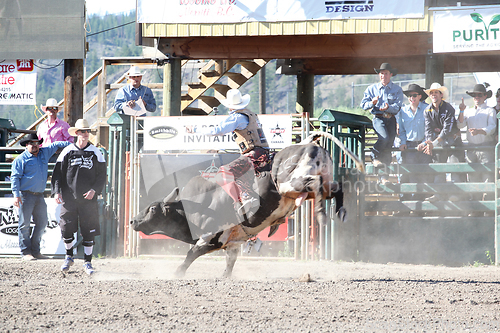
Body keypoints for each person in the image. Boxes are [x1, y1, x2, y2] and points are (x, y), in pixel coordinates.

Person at [187, 88, 271, 220]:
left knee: (223, 173)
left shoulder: (236, 117)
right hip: (264, 152)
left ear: (230, 106)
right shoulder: (250, 114)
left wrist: (195, 130)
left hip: (253, 155)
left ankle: (243, 199)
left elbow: (218, 130)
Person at [51, 119, 106, 275]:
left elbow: (102, 176)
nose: (86, 134)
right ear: (76, 133)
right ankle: (69, 256)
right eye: (83, 131)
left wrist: (95, 190)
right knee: (66, 228)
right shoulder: (67, 151)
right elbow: (57, 175)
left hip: (88, 199)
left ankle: (88, 262)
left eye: (87, 131)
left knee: (88, 230)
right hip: (69, 198)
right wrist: (57, 191)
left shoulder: (96, 152)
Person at [10, 133, 70, 261]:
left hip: (39, 195)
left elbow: (57, 144)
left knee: (42, 223)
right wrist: (16, 195)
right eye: (32, 143)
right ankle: (26, 252)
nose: (35, 146)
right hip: (25, 195)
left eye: (37, 143)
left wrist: (74, 146)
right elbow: (15, 178)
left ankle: (35, 251)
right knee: (24, 224)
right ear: (27, 145)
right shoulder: (21, 159)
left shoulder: (44, 152)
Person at [418, 82, 465, 201]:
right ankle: (439, 194)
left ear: (441, 94)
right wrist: (429, 143)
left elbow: (447, 129)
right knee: (438, 167)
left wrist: (432, 143)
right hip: (439, 143)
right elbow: (428, 129)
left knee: (454, 166)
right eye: (432, 92)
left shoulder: (448, 108)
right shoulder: (427, 111)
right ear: (429, 95)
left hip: (453, 143)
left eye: (436, 92)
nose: (433, 94)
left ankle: (456, 194)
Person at [360, 63, 404, 185]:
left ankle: (383, 178)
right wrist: (372, 103)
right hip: (378, 118)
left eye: (385, 73)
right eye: (381, 73)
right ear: (379, 75)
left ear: (391, 74)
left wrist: (388, 107)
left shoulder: (397, 89)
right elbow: (363, 105)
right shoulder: (371, 89)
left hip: (391, 119)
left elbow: (397, 107)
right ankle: (374, 156)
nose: (383, 75)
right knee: (384, 138)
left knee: (388, 147)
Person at [457, 83, 496, 197]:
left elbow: (492, 128)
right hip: (472, 148)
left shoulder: (490, 111)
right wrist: (461, 111)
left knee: (487, 178)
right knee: (473, 178)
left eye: (479, 95)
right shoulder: (468, 111)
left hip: (485, 148)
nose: (476, 97)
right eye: (474, 95)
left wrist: (479, 131)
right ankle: (475, 207)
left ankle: (487, 210)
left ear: (485, 96)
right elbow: (460, 125)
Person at [397, 84, 432, 200]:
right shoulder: (403, 111)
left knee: (423, 174)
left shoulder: (427, 108)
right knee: (410, 174)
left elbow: (429, 128)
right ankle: (410, 204)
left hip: (423, 145)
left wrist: (424, 142)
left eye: (414, 95)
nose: (412, 98)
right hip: (409, 146)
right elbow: (401, 130)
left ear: (420, 96)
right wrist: (402, 142)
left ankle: (421, 205)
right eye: (409, 96)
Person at [37, 98, 73, 162]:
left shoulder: (64, 125)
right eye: (49, 108)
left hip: (59, 156)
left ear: (57, 110)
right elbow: (38, 142)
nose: (52, 110)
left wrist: (61, 149)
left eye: (54, 108)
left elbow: (71, 141)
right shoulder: (42, 126)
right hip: (44, 155)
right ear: (46, 110)